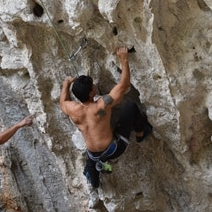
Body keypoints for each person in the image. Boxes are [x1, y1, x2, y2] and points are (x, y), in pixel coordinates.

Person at [60, 46, 153, 189]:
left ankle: (94, 181)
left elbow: (63, 102)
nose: (95, 85)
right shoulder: (101, 106)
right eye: (93, 85)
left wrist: (66, 84)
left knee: (91, 165)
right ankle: (141, 132)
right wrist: (124, 60)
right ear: (91, 92)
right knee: (130, 107)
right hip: (113, 149)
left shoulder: (72, 109)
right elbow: (123, 85)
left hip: (92, 154)